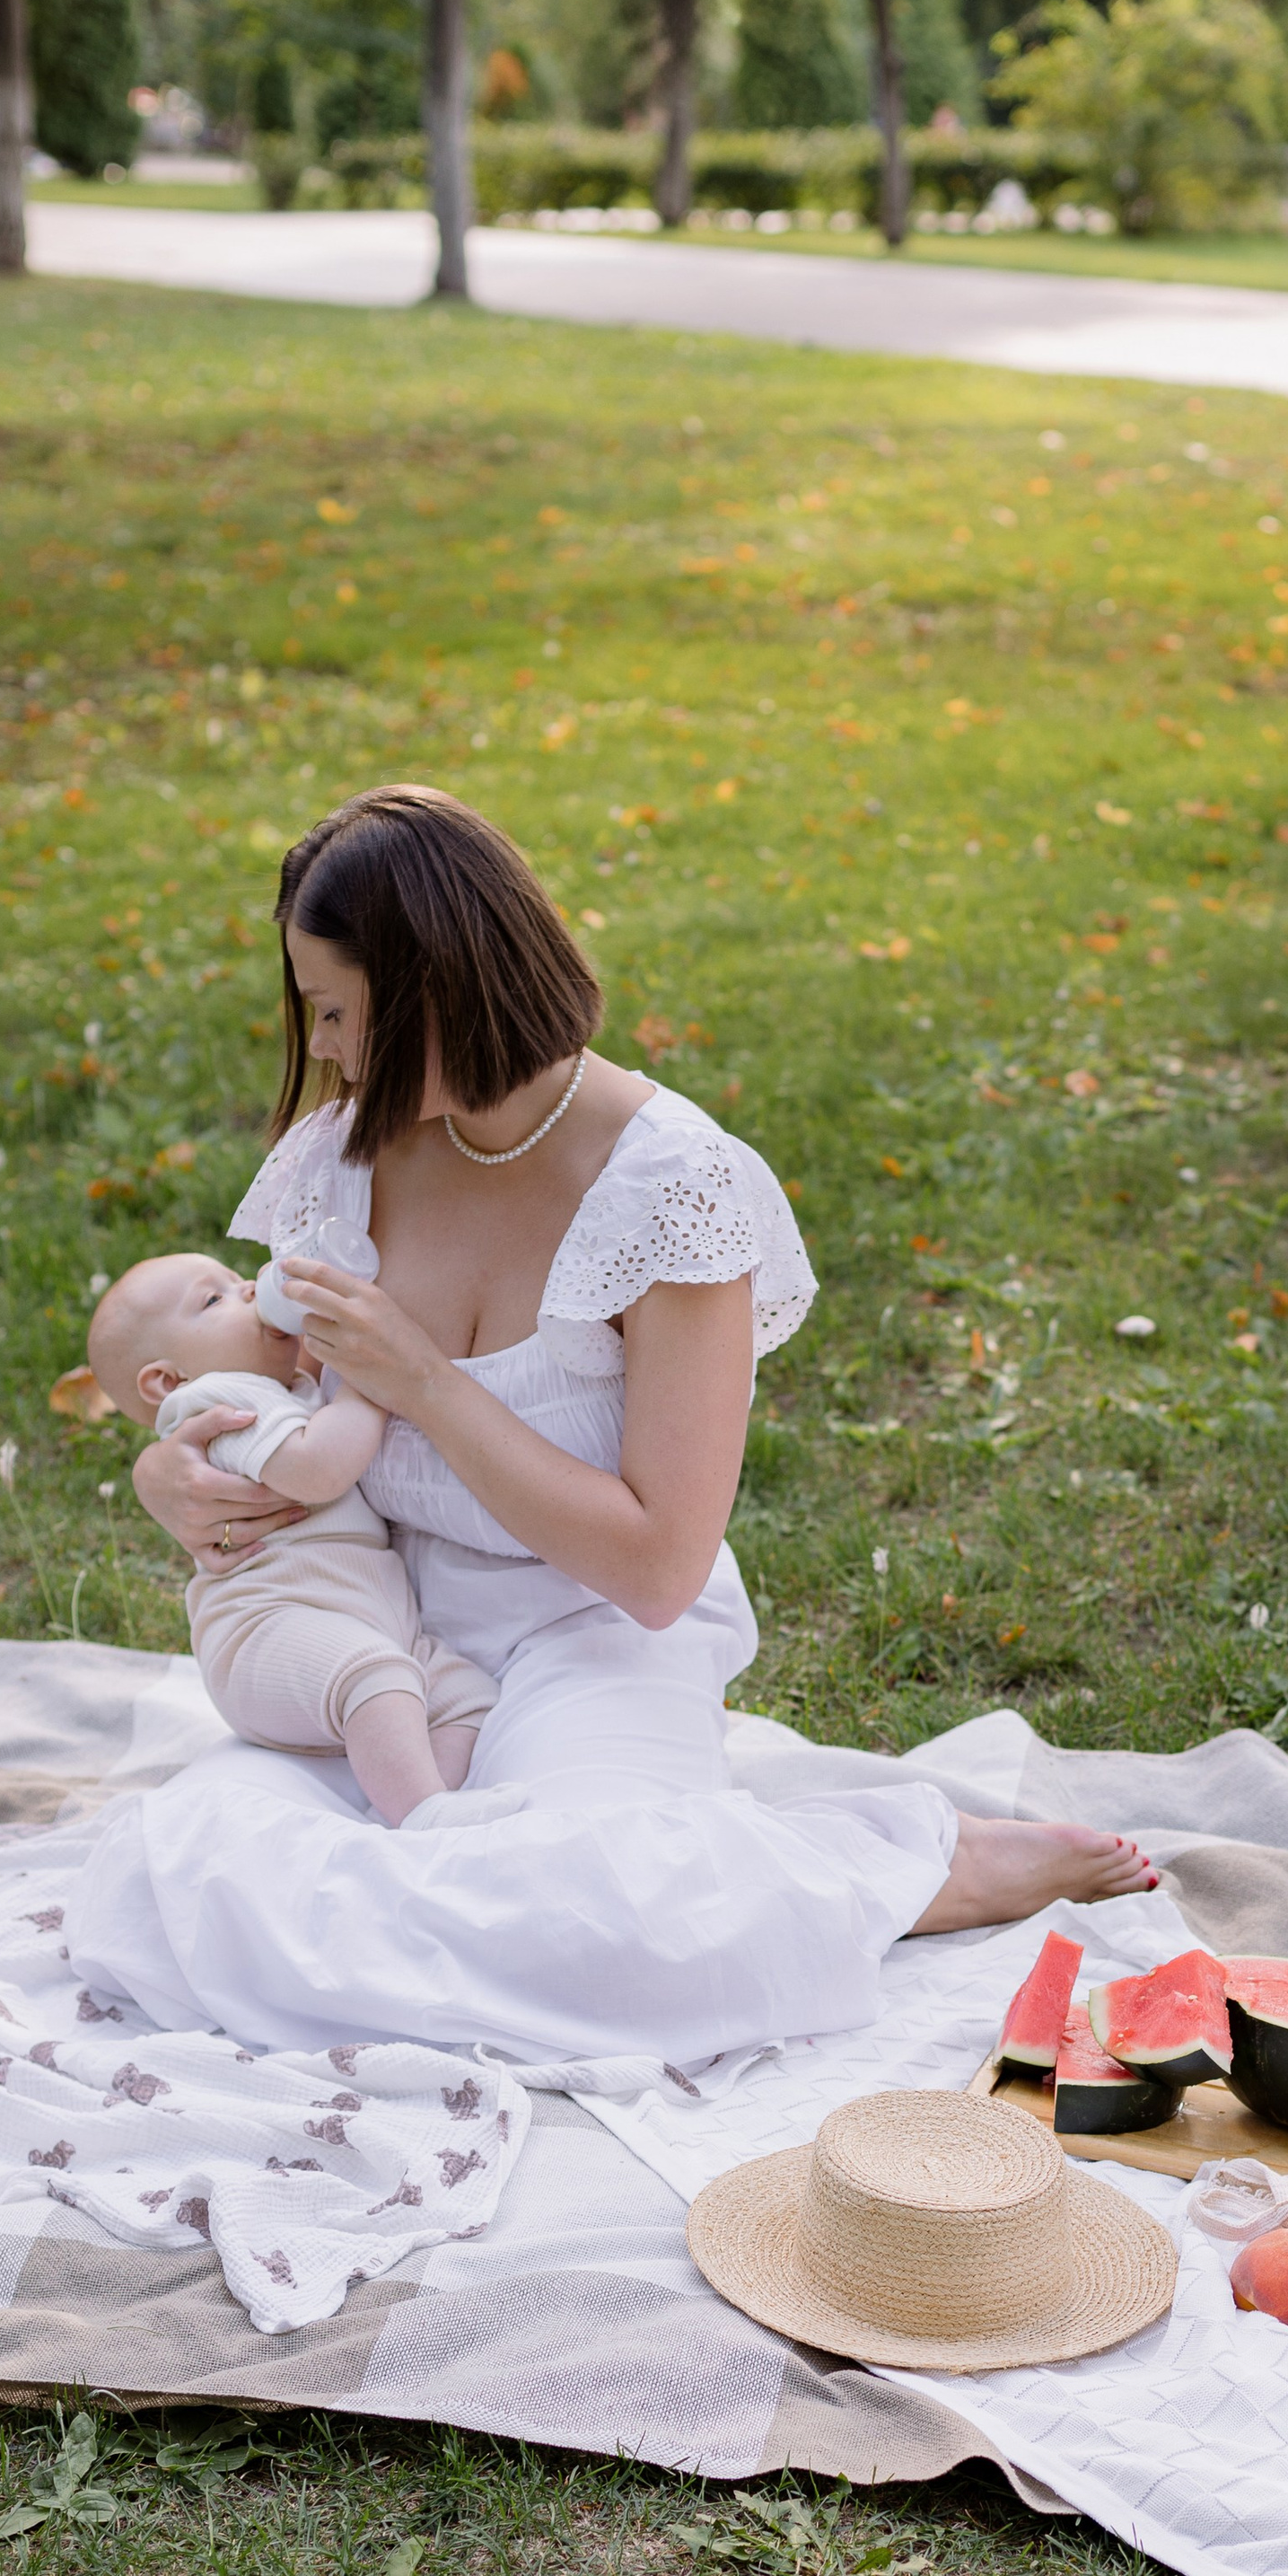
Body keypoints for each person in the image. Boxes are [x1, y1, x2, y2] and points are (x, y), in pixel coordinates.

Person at [67, 784, 1155, 2067]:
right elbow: (242, 1386)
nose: (330, 1055)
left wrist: (427, 1384)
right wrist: (166, 1476)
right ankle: (730, 1871)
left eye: (340, 1013)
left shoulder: (671, 1190)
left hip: (595, 1633)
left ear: (434, 991)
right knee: (180, 1879)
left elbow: (653, 1570)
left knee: (603, 1920)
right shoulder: (346, 1158)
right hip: (397, 1639)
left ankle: (911, 1864)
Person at [84, 1246, 497, 1826]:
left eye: (237, 1280)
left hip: (361, 1624)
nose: (250, 1291)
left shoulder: (289, 1388)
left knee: (465, 1694)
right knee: (375, 1675)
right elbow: (317, 1470)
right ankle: (425, 1814)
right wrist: (368, 1382)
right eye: (213, 1298)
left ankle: (417, 1803)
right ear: (167, 1379)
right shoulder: (216, 1399)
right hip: (268, 1633)